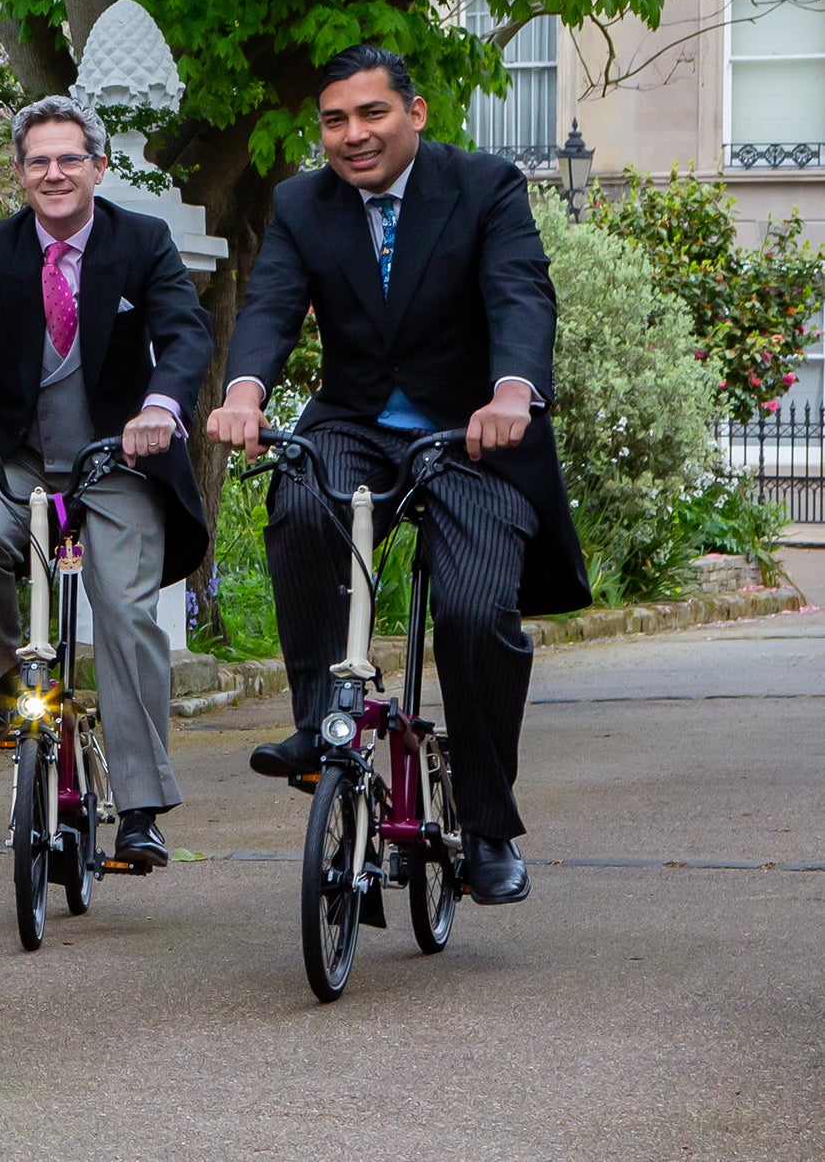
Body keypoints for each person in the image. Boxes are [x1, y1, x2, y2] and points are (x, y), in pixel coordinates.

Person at [205, 44, 587, 906]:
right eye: (334, 120)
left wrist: (513, 392)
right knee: (300, 504)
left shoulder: (484, 186)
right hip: (356, 422)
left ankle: (487, 823)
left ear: (414, 113)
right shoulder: (305, 203)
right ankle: (319, 721)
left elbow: (521, 294)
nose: (353, 135)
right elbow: (270, 302)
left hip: (474, 431)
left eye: (371, 113)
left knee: (474, 610)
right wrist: (243, 391)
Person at [0, 95, 213, 868]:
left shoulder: (142, 242)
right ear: (19, 172)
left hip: (118, 458)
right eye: (38, 160)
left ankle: (140, 805)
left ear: (98, 166)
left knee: (126, 608)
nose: (54, 172)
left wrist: (160, 408)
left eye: (70, 157)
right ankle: (3, 683)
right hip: (15, 452)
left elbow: (183, 332)